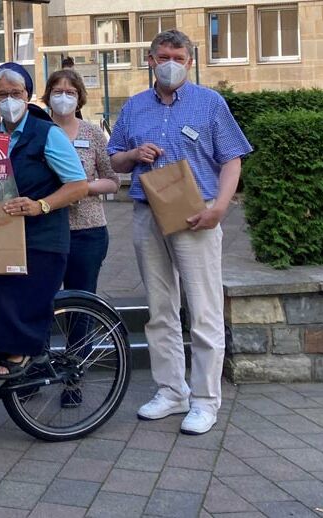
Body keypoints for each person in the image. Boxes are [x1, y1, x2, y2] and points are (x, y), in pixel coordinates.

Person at [107, 30, 252, 435]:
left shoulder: (210, 103)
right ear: (150, 60)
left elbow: (233, 158)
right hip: (147, 213)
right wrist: (134, 155)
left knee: (203, 311)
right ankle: (172, 391)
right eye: (163, 55)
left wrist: (220, 208)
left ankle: (206, 400)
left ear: (189, 62)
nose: (170, 62)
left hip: (197, 215)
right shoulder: (135, 108)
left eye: (178, 56)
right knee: (160, 309)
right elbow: (114, 160)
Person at [0, 63, 88, 379]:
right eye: (2, 94)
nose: (9, 100)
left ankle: (18, 351)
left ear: (28, 95)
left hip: (40, 239)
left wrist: (41, 205)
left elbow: (79, 185)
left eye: (16, 93)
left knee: (10, 288)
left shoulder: (47, 134)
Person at [41, 69, 120, 407]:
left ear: (79, 97)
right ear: (47, 96)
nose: (63, 96)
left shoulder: (91, 133)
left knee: (80, 307)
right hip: (45, 232)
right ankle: (34, 371)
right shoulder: (39, 132)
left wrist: (82, 188)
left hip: (87, 231)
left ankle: (73, 376)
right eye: (57, 90)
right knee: (40, 303)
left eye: (69, 91)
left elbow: (112, 179)